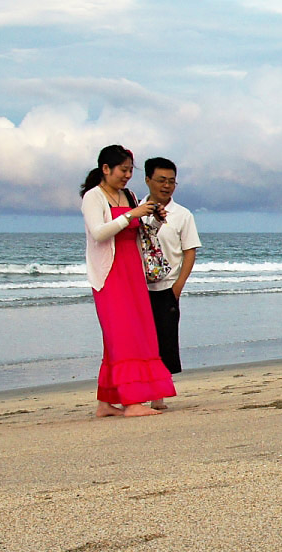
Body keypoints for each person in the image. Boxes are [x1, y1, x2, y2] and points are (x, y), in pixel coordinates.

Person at [80, 145, 176, 417]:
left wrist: (155, 219)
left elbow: (141, 232)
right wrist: (131, 215)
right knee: (122, 335)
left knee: (133, 333)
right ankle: (132, 402)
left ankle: (105, 403)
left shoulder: (129, 195)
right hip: (110, 274)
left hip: (132, 270)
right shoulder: (93, 197)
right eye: (123, 170)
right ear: (106, 169)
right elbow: (99, 233)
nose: (127, 175)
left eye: (130, 170)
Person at [141, 157, 201, 410]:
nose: (167, 186)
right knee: (140, 340)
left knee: (165, 341)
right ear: (148, 180)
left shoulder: (182, 215)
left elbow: (190, 251)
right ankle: (137, 391)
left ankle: (159, 395)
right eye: (161, 180)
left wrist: (178, 287)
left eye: (171, 181)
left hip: (167, 287)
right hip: (137, 287)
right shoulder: (136, 209)